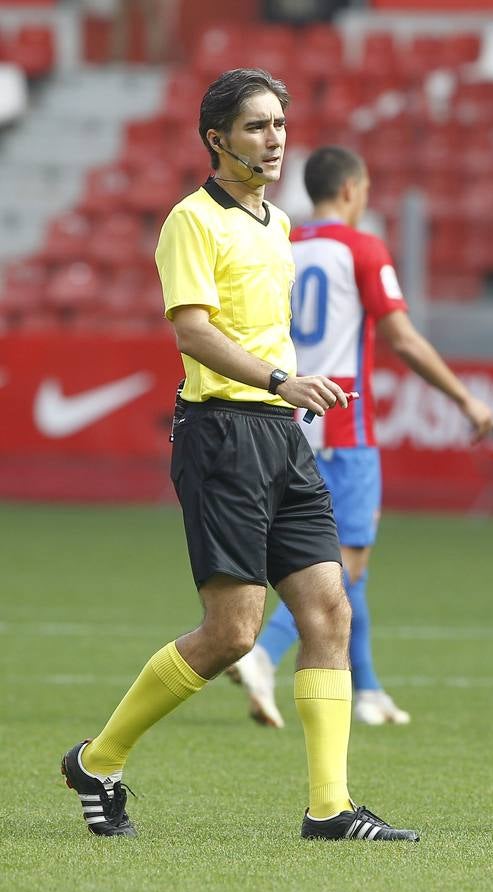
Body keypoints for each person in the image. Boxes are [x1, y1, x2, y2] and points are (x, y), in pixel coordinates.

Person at [60, 68, 417, 842]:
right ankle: (99, 759)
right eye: (256, 126)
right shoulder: (192, 221)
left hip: (280, 438)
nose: (275, 138)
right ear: (216, 139)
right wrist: (282, 379)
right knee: (233, 633)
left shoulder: (278, 225)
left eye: (280, 124)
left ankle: (329, 809)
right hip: (222, 434)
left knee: (328, 609)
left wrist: (291, 390)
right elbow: (191, 330)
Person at [227, 145, 493, 728]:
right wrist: (464, 397)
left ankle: (368, 688)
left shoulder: (283, 244)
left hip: (284, 416)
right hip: (343, 422)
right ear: (352, 190)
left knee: (348, 565)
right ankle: (263, 654)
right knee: (345, 560)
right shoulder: (362, 248)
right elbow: (402, 339)